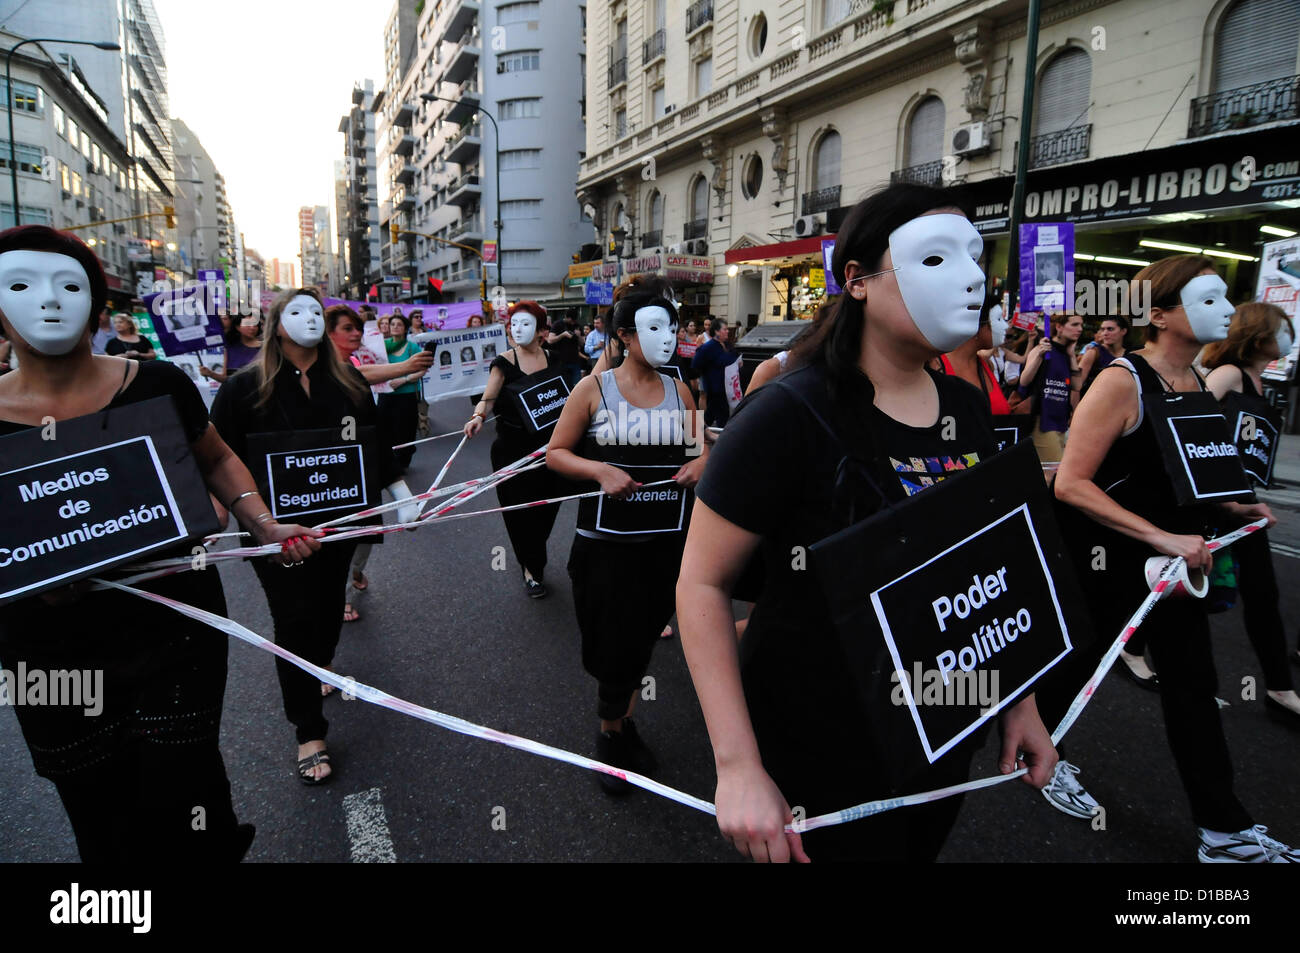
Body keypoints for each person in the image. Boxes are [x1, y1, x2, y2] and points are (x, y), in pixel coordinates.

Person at [676, 183, 1057, 862]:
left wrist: (1016, 698)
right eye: (937, 259)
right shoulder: (788, 414)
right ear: (856, 280)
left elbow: (988, 566)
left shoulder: (968, 409)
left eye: (977, 257)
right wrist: (736, 765)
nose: (973, 278)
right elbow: (702, 584)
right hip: (815, 741)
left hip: (937, 731)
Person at [0, 225, 319, 860]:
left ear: (96, 302)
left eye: (69, 285)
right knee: (97, 806)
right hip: (48, 656)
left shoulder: (158, 383)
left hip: (173, 630)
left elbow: (218, 459)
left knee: (190, 785)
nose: (50, 301)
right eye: (19, 285)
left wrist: (262, 521)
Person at [1052, 255, 1298, 861]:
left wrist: (1236, 508)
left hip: (1174, 572)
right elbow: (1070, 484)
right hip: (1107, 564)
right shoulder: (1121, 380)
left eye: (1225, 298)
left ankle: (1223, 830)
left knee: (1193, 686)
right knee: (1075, 667)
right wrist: (1159, 537)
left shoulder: (1197, 380)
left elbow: (1188, 475)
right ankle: (1040, 757)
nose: (1225, 310)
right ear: (1157, 315)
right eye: (1205, 299)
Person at [211, 289, 416, 784]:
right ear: (276, 325)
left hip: (339, 526)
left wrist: (401, 490)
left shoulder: (349, 383)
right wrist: (216, 520)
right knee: (293, 620)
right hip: (276, 533)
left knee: (325, 615)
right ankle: (308, 730)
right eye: (294, 311)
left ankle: (318, 666)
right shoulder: (243, 389)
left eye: (314, 312)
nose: (308, 320)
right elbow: (218, 459)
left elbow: (375, 444)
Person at [547, 292, 707, 793]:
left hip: (665, 545)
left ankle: (617, 723)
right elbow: (556, 453)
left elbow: (701, 451)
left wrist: (701, 463)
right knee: (610, 644)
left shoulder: (681, 390)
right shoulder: (592, 389)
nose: (668, 339)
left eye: (673, 328)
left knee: (640, 638)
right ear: (624, 336)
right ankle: (611, 732)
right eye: (655, 329)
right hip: (605, 547)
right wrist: (598, 470)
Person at [1200, 303, 1299, 720]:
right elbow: (1187, 424)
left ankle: (1278, 688)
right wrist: (1225, 499)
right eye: (1284, 330)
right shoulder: (1229, 374)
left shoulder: (1262, 383)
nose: (1290, 337)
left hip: (1245, 502)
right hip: (1214, 503)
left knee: (1262, 593)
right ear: (1258, 335)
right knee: (1185, 591)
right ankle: (1130, 648)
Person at [327, 304, 433, 624]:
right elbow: (357, 377)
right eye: (348, 328)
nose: (357, 333)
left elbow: (362, 375)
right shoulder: (319, 367)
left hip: (364, 453)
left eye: (359, 327)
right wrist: (405, 368)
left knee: (367, 530)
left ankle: (356, 570)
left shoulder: (359, 359)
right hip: (330, 465)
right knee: (339, 535)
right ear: (327, 332)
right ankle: (342, 593)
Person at [464, 301, 568, 597]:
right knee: (519, 514)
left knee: (546, 509)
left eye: (525, 324)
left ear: (542, 331)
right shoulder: (504, 362)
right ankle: (532, 568)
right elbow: (487, 398)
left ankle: (533, 553)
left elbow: (568, 399)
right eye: (513, 324)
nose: (517, 329)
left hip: (550, 452)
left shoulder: (555, 358)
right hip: (512, 452)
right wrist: (477, 417)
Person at [1018, 312, 1083, 468]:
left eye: (1081, 325)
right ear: (1059, 327)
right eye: (1074, 325)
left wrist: (1072, 356)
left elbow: (1077, 386)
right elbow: (1024, 380)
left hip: (1061, 421)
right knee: (1052, 472)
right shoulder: (1043, 349)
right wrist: (1040, 355)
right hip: (1042, 420)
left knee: (1055, 471)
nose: (1080, 329)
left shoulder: (1066, 354)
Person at [379, 312, 424, 471]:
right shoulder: (382, 346)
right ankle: (388, 459)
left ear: (405, 328)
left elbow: (423, 369)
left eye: (399, 324)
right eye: (392, 324)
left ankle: (403, 461)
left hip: (406, 395)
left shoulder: (412, 347)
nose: (395, 327)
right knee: (385, 428)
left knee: (405, 429)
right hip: (386, 394)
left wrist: (403, 380)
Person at [691, 318, 739, 427]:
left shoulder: (728, 345)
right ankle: (722, 439)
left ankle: (698, 434)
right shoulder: (707, 347)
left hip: (728, 387)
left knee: (711, 414)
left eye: (727, 329)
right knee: (722, 415)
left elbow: (734, 356)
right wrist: (706, 374)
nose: (727, 331)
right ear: (717, 331)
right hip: (715, 388)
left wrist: (739, 361)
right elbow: (695, 364)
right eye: (725, 329)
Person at [202, 313, 263, 383]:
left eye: (255, 324)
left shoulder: (265, 347)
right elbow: (226, 379)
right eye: (248, 324)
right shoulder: (230, 348)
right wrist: (210, 374)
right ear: (238, 327)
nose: (252, 328)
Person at [1078, 315, 1128, 396]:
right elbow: (1077, 385)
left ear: (1123, 331)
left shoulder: (1130, 355)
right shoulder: (1093, 352)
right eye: (1102, 329)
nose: (1105, 333)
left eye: (1110, 329)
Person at [547, 315, 586, 388]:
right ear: (568, 318)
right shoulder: (558, 324)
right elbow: (550, 340)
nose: (572, 323)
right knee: (563, 386)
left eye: (574, 321)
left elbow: (582, 344)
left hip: (575, 361)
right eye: (571, 321)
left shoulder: (577, 326)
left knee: (576, 386)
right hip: (561, 361)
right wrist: (563, 335)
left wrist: (579, 336)